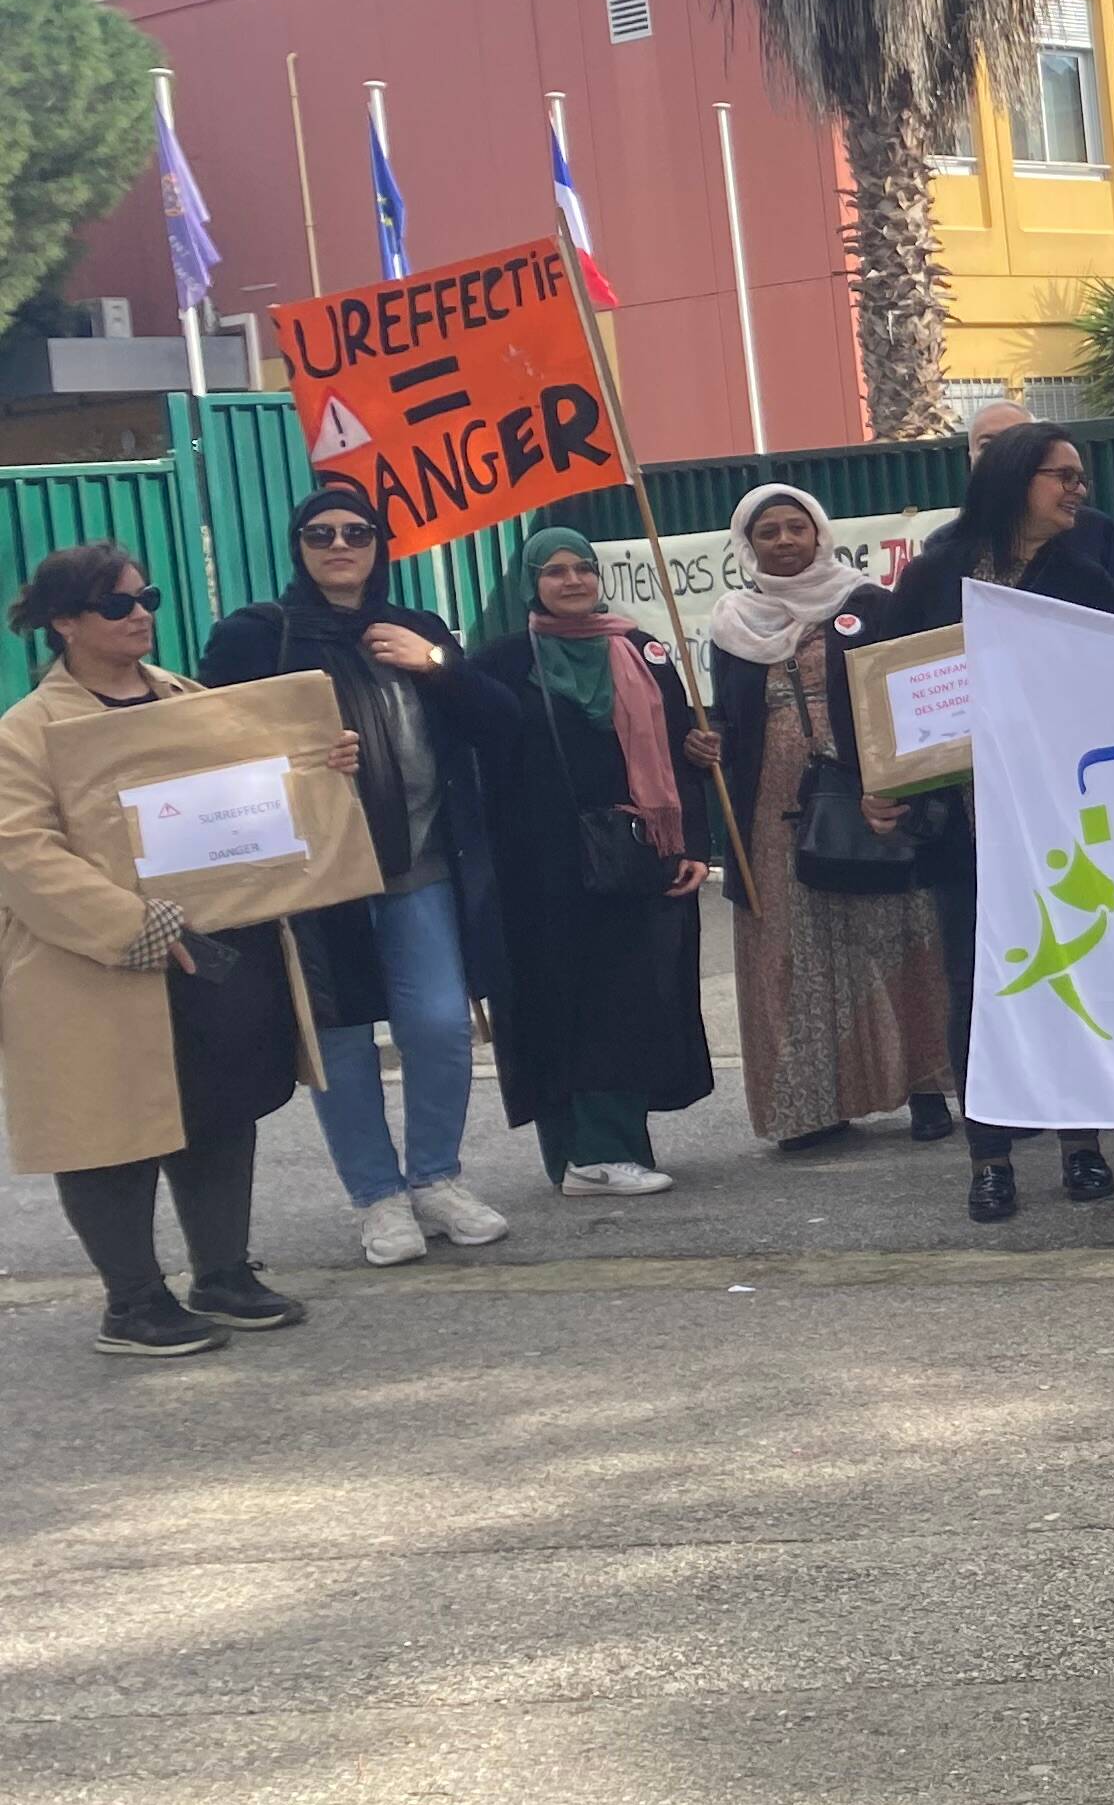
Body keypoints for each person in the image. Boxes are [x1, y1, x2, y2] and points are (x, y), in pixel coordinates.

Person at [1, 544, 316, 1355]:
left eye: (148, 598)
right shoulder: (26, 732)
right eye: (117, 605)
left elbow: (244, 797)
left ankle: (222, 1272)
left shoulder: (186, 697)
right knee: (111, 1128)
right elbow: (20, 852)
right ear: (64, 623)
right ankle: (132, 1301)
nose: (140, 613)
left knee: (222, 1105)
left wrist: (315, 770)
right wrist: (130, 926)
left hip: (217, 947)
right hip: (100, 967)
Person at [200, 483, 519, 1263]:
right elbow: (208, 752)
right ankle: (378, 1197)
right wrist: (303, 763)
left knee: (440, 1027)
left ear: (381, 545)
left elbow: (501, 724)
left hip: (420, 864)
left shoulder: (413, 629)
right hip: (317, 879)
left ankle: (436, 1179)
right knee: (341, 1042)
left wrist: (435, 664)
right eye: (320, 533)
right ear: (298, 546)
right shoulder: (253, 637)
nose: (339, 546)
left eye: (357, 532)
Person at [887, 423, 1114, 1221]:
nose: (1077, 490)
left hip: (1063, 822)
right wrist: (880, 784)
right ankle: (989, 1158)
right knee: (977, 989)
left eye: (1079, 477)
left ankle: (1081, 1147)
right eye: (1061, 475)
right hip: (963, 830)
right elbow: (891, 690)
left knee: (1071, 977)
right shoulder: (933, 577)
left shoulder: (1085, 579)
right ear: (1014, 479)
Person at [701, 485, 958, 1159]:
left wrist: (901, 785)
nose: (785, 542)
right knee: (791, 950)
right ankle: (811, 1105)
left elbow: (905, 692)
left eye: (796, 528)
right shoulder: (730, 622)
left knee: (894, 933)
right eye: (769, 533)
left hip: (865, 792)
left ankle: (928, 1089)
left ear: (820, 532)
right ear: (746, 545)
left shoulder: (869, 604)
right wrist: (706, 742)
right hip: (770, 807)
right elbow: (727, 714)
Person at [469, 527, 722, 1200]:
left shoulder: (643, 651)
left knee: (631, 1001)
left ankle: (615, 1147)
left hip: (633, 860)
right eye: (554, 571)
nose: (573, 580)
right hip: (540, 870)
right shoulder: (502, 663)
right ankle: (578, 1156)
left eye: (583, 567)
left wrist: (695, 843)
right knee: (557, 1002)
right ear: (531, 582)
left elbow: (682, 754)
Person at [967, 395, 1114, 593]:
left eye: (1017, 441)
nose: (1002, 455)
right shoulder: (941, 558)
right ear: (970, 456)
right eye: (988, 446)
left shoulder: (1096, 538)